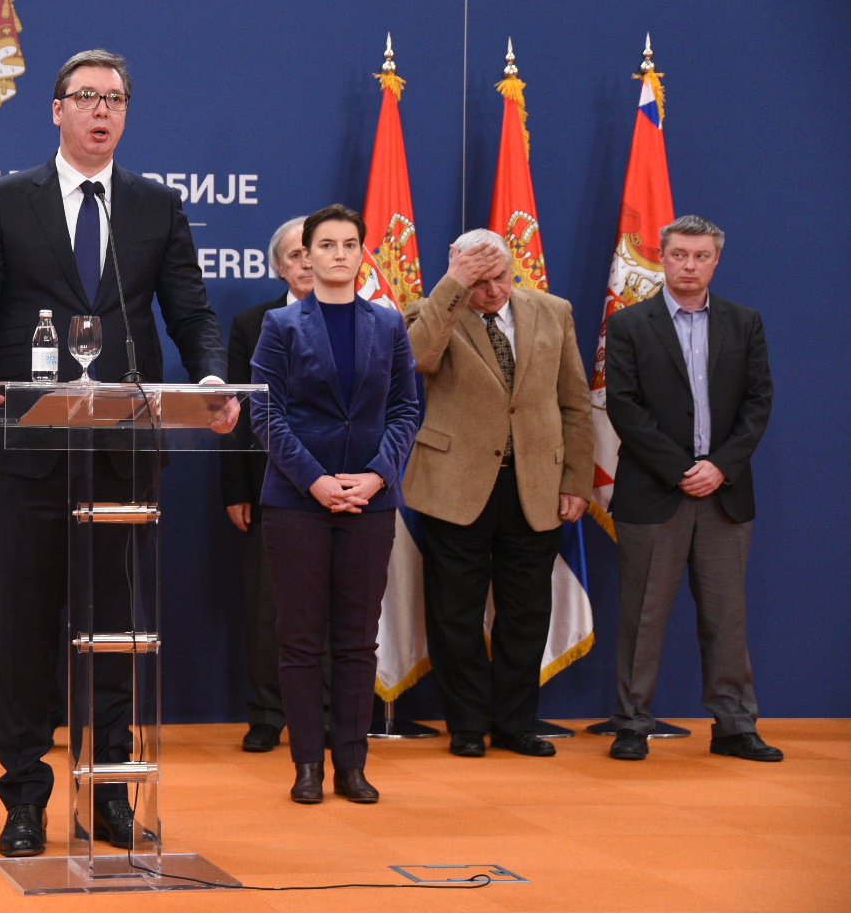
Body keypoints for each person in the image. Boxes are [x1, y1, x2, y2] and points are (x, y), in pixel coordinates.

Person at [0, 50, 234, 856]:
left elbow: (193, 314)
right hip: (26, 457)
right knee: (24, 632)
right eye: (86, 97)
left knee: (112, 631)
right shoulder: (6, 202)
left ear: (126, 114)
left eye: (115, 99)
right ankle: (26, 798)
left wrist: (211, 377)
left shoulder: (155, 206)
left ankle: (108, 790)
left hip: (121, 456)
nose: (101, 111)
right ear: (56, 109)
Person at [250, 204, 419, 805]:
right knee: (299, 638)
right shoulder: (281, 325)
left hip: (371, 503)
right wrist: (316, 480)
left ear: (361, 253)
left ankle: (351, 763)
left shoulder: (389, 324)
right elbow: (264, 411)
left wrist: (375, 478)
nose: (339, 254)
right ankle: (306, 765)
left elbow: (405, 410)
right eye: (327, 245)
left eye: (350, 244)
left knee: (356, 639)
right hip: (298, 502)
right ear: (309, 255)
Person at [403, 230, 592, 759]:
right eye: (479, 281)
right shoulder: (430, 310)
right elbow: (414, 361)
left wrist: (577, 479)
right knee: (454, 612)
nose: (492, 292)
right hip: (454, 483)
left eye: (501, 278)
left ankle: (515, 723)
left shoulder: (553, 311)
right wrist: (454, 287)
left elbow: (575, 402)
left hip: (535, 484)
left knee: (527, 611)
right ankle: (466, 723)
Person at [603, 215, 780, 762]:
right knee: (644, 615)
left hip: (725, 493)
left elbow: (758, 402)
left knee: (727, 617)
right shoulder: (631, 324)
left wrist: (720, 467)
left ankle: (734, 727)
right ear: (662, 256)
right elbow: (623, 407)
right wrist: (683, 468)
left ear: (715, 261)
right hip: (656, 491)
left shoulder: (743, 322)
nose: (689, 265)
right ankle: (632, 725)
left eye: (700, 256)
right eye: (679, 255)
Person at [221, 215, 311, 753]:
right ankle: (265, 714)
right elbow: (234, 409)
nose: (307, 263)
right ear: (279, 265)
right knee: (266, 605)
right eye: (296, 255)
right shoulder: (252, 322)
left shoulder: (369, 320)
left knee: (330, 606)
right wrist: (236, 486)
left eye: (316, 251)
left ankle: (323, 712)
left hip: (344, 485)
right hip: (269, 482)